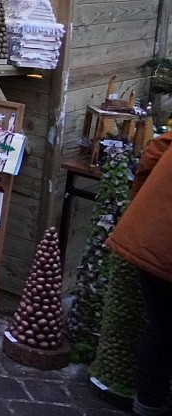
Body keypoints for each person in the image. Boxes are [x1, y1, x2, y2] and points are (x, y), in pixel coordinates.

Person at [106, 132, 172, 416]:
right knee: (164, 329)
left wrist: (144, 204)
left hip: (149, 237)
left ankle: (148, 404)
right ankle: (150, 406)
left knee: (161, 328)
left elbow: (155, 151)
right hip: (163, 250)